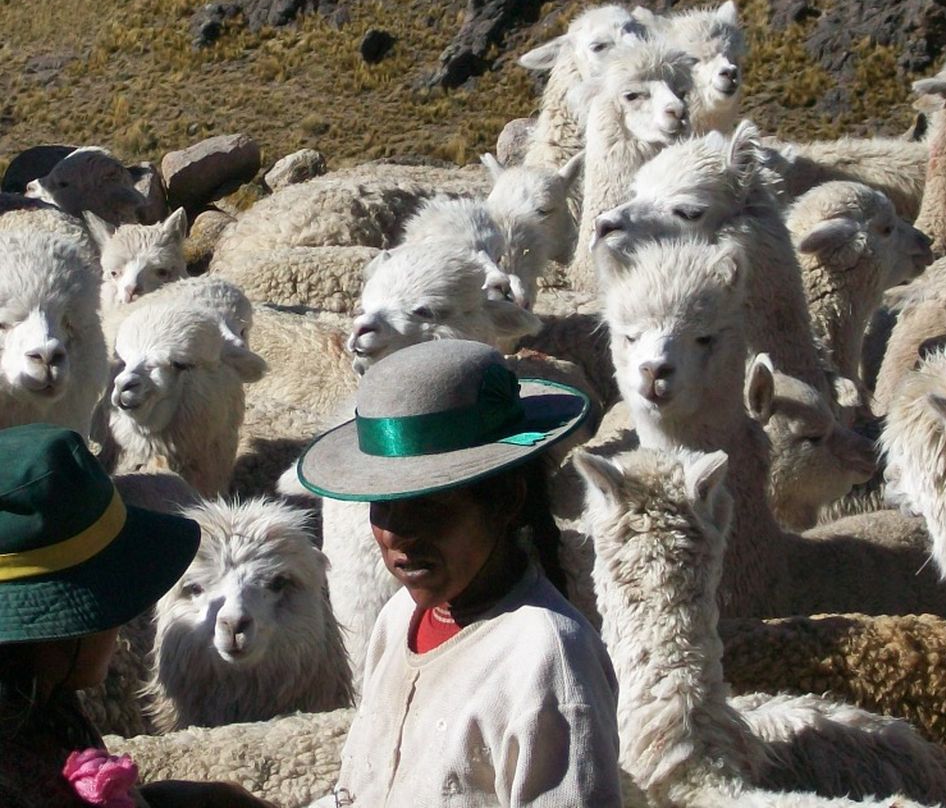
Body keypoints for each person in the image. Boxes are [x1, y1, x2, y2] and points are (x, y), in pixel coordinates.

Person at [297, 339, 623, 807]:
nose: (396, 534)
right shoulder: (397, 620)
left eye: (429, 505)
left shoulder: (547, 660)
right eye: (381, 505)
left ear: (506, 500)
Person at [0, 423, 275, 808]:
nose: (119, 629)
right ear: (60, 632)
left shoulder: (42, 705)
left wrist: (163, 800)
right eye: (113, 600)